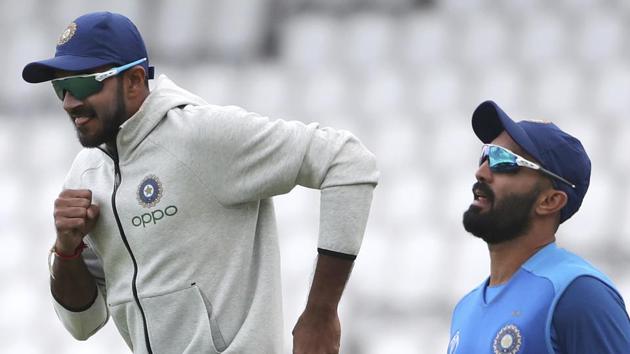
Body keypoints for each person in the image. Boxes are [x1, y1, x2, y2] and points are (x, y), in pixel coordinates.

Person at [23, 12, 379, 354]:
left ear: (133, 81)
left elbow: (346, 161)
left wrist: (320, 313)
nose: (70, 102)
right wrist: (66, 250)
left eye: (85, 83)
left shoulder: (201, 136)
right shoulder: (85, 172)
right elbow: (83, 325)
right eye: (61, 87)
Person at [448, 100, 630, 354]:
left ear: (550, 201)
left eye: (503, 160)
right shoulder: (464, 309)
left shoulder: (579, 294)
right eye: (486, 155)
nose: (481, 172)